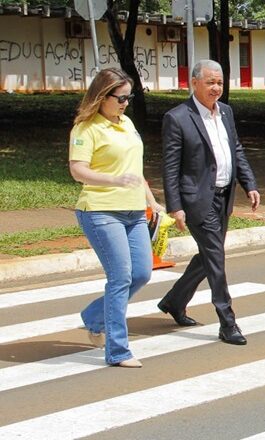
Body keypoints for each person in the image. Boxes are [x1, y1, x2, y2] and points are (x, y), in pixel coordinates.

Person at [156, 60, 260, 345]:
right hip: (197, 200)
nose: (216, 88)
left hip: (223, 196)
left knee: (207, 256)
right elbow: (170, 167)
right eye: (210, 83)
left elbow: (235, 148)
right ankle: (227, 322)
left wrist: (249, 183)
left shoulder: (226, 112)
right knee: (215, 258)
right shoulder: (177, 117)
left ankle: (174, 301)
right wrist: (175, 206)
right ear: (194, 83)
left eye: (220, 83)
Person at [69, 67, 163, 368]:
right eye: (120, 98)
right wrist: (113, 180)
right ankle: (118, 351)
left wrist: (153, 202)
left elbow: (135, 168)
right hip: (100, 210)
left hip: (134, 211)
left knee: (142, 274)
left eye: (129, 97)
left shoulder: (127, 123)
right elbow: (77, 170)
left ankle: (94, 317)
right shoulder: (86, 128)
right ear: (102, 96)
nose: (125, 103)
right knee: (120, 277)